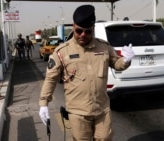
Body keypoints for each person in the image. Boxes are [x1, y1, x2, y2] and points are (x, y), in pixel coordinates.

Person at [39, 4, 135, 141]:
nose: (83, 35)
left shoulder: (104, 47)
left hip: (102, 109)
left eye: (88, 31)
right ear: (73, 27)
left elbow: (117, 64)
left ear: (93, 29)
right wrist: (44, 103)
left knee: (105, 138)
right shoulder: (62, 52)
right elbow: (50, 79)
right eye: (79, 31)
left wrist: (126, 60)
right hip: (78, 112)